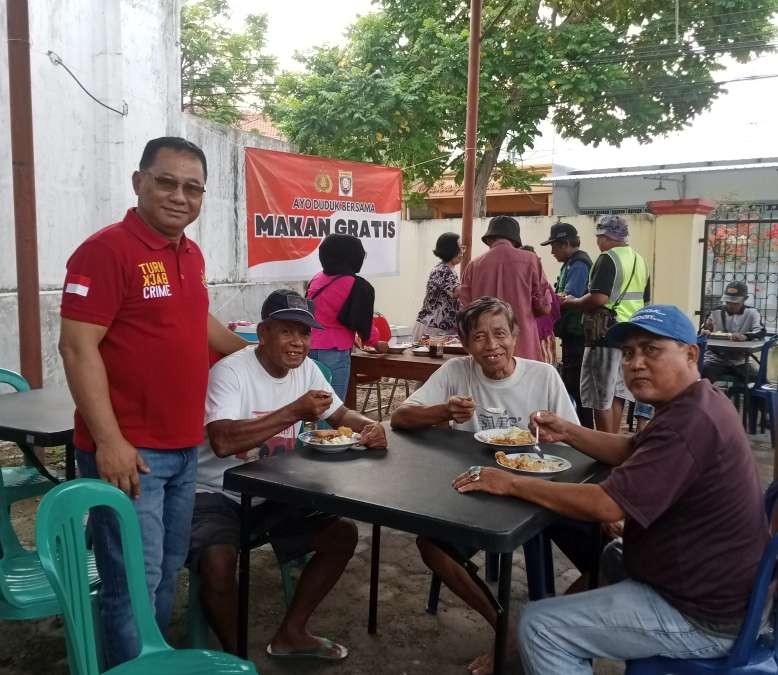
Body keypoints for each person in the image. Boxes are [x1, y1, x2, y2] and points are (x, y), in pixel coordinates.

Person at [453, 305, 769, 675]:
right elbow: (629, 449)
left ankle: (541, 646)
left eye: (651, 350)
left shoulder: (690, 423)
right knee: (611, 557)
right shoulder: (696, 402)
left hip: (704, 616)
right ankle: (549, 653)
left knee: (539, 625)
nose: (635, 363)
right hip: (714, 588)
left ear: (690, 353)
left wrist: (509, 482)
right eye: (629, 353)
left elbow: (607, 505)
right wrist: (568, 431)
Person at [58, 137, 248, 667]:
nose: (179, 196)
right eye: (166, 182)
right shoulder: (107, 250)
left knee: (165, 572)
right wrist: (110, 440)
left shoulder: (190, 253)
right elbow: (76, 348)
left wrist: (257, 354)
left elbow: (197, 322)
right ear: (139, 181)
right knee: (132, 582)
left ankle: (150, 660)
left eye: (193, 188)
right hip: (132, 453)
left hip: (185, 447)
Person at [191, 289, 388, 659]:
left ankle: (292, 633)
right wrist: (293, 411)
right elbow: (222, 441)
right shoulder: (231, 372)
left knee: (341, 535)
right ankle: (237, 659)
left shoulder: (308, 370)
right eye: (287, 331)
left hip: (274, 492)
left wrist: (370, 427)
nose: (298, 342)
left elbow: (340, 415)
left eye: (305, 333)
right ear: (263, 333)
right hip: (217, 492)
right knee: (217, 565)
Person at [391, 296, 578, 675]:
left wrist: (553, 433)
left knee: (611, 553)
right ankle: (505, 628)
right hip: (474, 492)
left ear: (515, 336)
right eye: (479, 337)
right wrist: (442, 411)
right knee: (431, 545)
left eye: (499, 334)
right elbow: (400, 417)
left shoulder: (543, 376)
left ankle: (546, 629)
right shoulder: (456, 372)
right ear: (465, 342)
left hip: (537, 489)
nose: (491, 346)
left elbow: (572, 442)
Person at [562, 215, 650, 433]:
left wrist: (572, 302)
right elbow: (645, 300)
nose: (598, 242)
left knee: (600, 395)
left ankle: (604, 447)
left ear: (606, 236)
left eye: (599, 237)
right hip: (630, 334)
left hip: (605, 333)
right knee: (617, 393)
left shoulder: (608, 258)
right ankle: (613, 442)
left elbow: (598, 298)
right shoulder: (639, 260)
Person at [307, 233, 387, 400]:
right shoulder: (356, 285)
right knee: (331, 405)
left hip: (308, 346)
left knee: (311, 402)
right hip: (334, 350)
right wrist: (375, 342)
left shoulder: (316, 278)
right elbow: (363, 320)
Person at [459, 216, 551, 361]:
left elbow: (465, 308)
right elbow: (544, 307)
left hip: (486, 347)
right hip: (522, 343)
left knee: (485, 382)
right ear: (515, 241)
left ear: (489, 240)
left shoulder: (473, 265)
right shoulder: (531, 260)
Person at [541, 222, 594, 428]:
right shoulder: (571, 264)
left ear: (565, 244)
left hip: (577, 334)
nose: (552, 251)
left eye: (554, 246)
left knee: (576, 387)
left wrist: (551, 299)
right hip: (571, 333)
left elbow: (568, 297)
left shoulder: (579, 265)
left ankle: (583, 432)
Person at [700, 280, 765, 383]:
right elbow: (703, 330)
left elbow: (761, 331)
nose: (731, 305)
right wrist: (706, 330)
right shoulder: (715, 312)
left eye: (735, 303)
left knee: (759, 382)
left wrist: (746, 336)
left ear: (745, 299)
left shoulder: (752, 313)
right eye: (728, 302)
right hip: (715, 359)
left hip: (741, 361)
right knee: (702, 378)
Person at [412, 232, 464, 341]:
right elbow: (457, 292)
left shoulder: (444, 269)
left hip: (435, 327)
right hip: (433, 328)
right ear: (450, 250)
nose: (461, 253)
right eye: (459, 249)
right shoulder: (443, 271)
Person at [521, 245, 561, 365]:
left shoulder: (518, 284)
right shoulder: (543, 284)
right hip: (543, 337)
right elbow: (554, 311)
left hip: (526, 338)